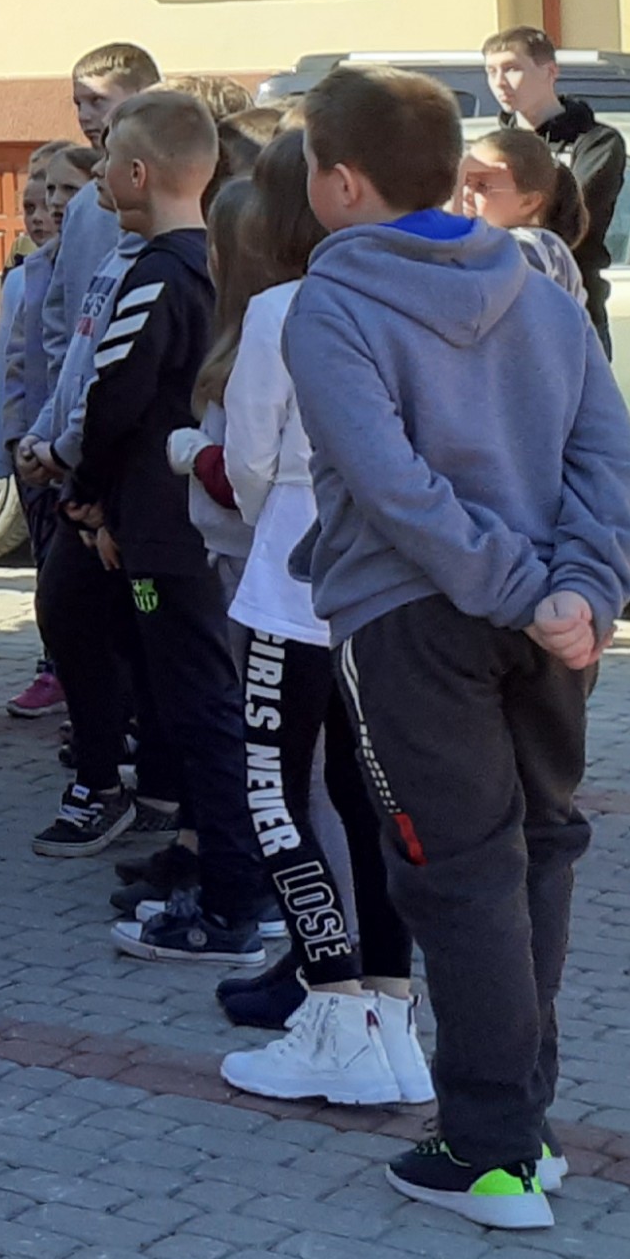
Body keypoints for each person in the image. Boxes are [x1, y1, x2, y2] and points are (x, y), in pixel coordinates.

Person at [285, 64, 630, 1232]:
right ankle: (522, 1133)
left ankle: (488, 1151)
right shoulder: (540, 288)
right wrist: (577, 590)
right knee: (533, 857)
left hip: (418, 621)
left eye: (307, 167)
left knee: (463, 877)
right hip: (546, 622)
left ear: (340, 182)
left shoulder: (328, 304)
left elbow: (390, 487)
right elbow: (610, 458)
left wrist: (536, 589)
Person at [202, 128, 433, 1106]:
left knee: (277, 798)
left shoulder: (278, 311)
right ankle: (387, 1017)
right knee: (373, 800)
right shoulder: (421, 302)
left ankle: (336, 1006)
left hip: (291, 593)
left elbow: (249, 465)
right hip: (389, 594)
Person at [68, 88, 270, 968]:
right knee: (192, 699)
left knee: (198, 706)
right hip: (188, 524)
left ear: (139, 172)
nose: (100, 171)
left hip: (164, 531)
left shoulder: (159, 274)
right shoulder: (219, 264)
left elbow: (113, 400)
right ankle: (200, 851)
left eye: (108, 154)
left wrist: (86, 489)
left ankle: (235, 889)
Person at [21, 42, 169, 841]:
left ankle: (155, 786)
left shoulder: (183, 219)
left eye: (102, 101)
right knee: (71, 611)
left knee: (143, 624)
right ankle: (103, 773)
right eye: (79, 101)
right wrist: (51, 438)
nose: (87, 115)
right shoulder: (89, 212)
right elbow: (70, 333)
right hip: (83, 458)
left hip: (141, 472)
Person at [0, 142, 94, 720]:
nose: (48, 209)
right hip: (34, 446)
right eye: (39, 198)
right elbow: (14, 362)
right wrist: (10, 442)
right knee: (47, 572)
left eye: (63, 194)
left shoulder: (82, 264)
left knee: (68, 582)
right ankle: (53, 664)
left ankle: (70, 674)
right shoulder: (27, 269)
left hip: (67, 449)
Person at [486, 27, 626, 336]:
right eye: (491, 71)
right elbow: (471, 216)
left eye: (512, 69)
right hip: (502, 310)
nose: (499, 82)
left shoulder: (595, 142)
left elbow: (570, 217)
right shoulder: (488, 146)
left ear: (550, 71)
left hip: (572, 311)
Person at [457, 126, 591, 308]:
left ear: (528, 202)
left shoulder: (531, 248)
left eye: (481, 186)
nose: (465, 193)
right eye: (464, 182)